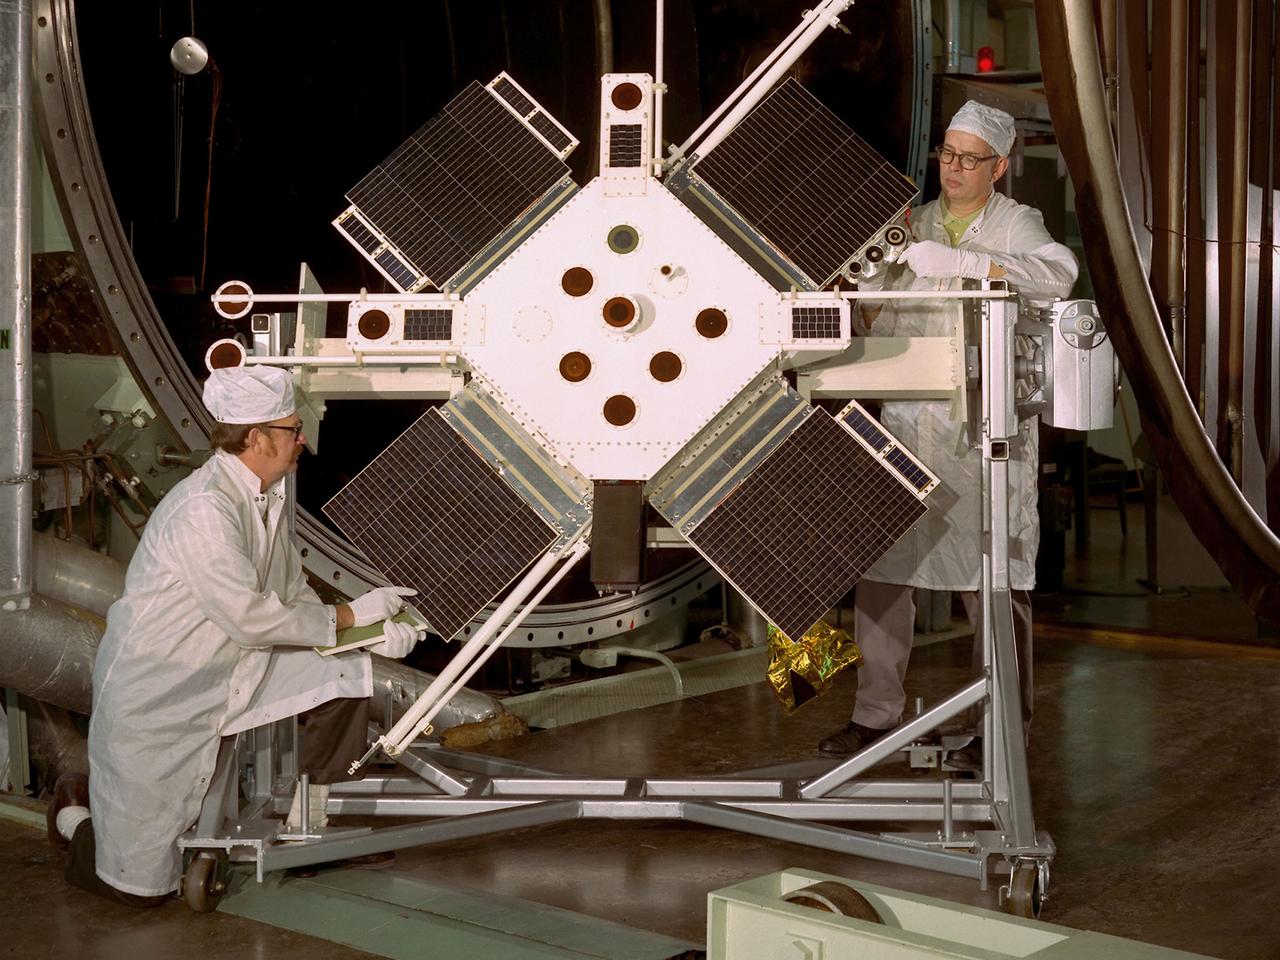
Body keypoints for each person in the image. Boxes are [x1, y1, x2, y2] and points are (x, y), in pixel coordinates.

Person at [45, 364, 425, 906]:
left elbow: (292, 598)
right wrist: (347, 618)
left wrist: (366, 632)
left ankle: (311, 827)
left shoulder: (267, 501)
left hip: (240, 664)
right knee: (138, 890)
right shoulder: (205, 510)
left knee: (347, 678)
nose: (303, 441)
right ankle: (73, 817)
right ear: (256, 438)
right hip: (167, 690)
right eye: (293, 430)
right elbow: (249, 614)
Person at [819, 100, 1079, 756]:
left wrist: (970, 265)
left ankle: (1001, 734)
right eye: (947, 155)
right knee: (881, 572)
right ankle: (874, 715)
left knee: (989, 580)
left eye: (970, 159)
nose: (954, 168)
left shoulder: (1017, 223)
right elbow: (870, 309)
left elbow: (1060, 273)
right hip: (906, 425)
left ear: (1000, 166)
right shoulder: (911, 224)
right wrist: (855, 293)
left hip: (981, 430)